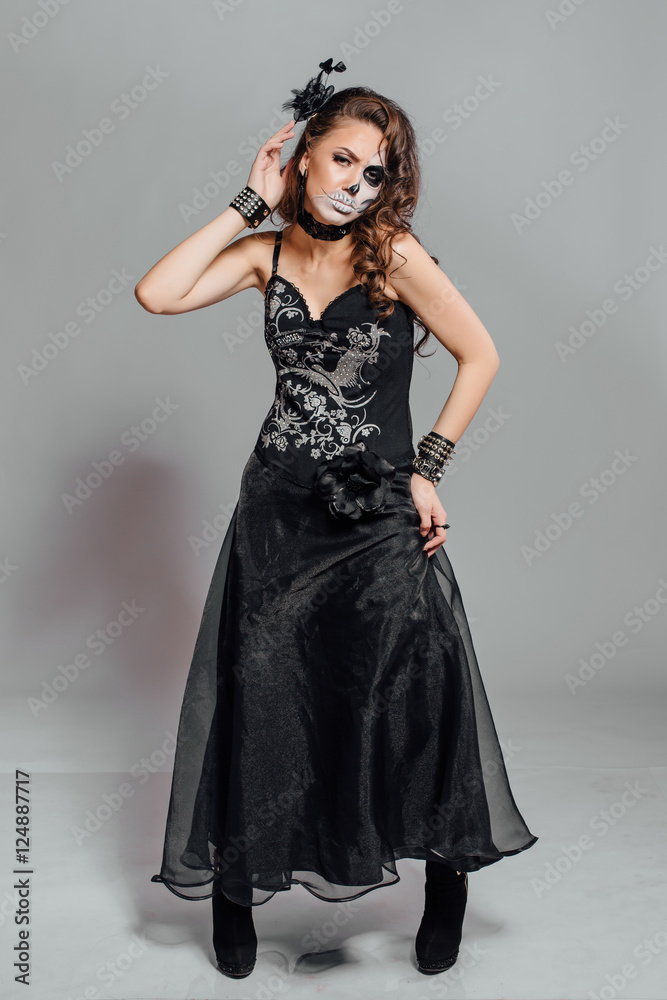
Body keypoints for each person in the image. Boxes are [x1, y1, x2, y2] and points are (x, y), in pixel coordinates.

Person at [135, 59, 538, 981]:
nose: (356, 183)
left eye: (375, 171)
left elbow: (480, 355)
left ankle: (445, 886)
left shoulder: (393, 254)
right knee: (266, 692)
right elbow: (158, 293)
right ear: (303, 155)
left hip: (376, 513)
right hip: (277, 515)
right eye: (343, 159)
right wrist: (249, 201)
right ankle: (235, 891)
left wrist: (427, 471)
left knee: (410, 695)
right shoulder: (263, 255)